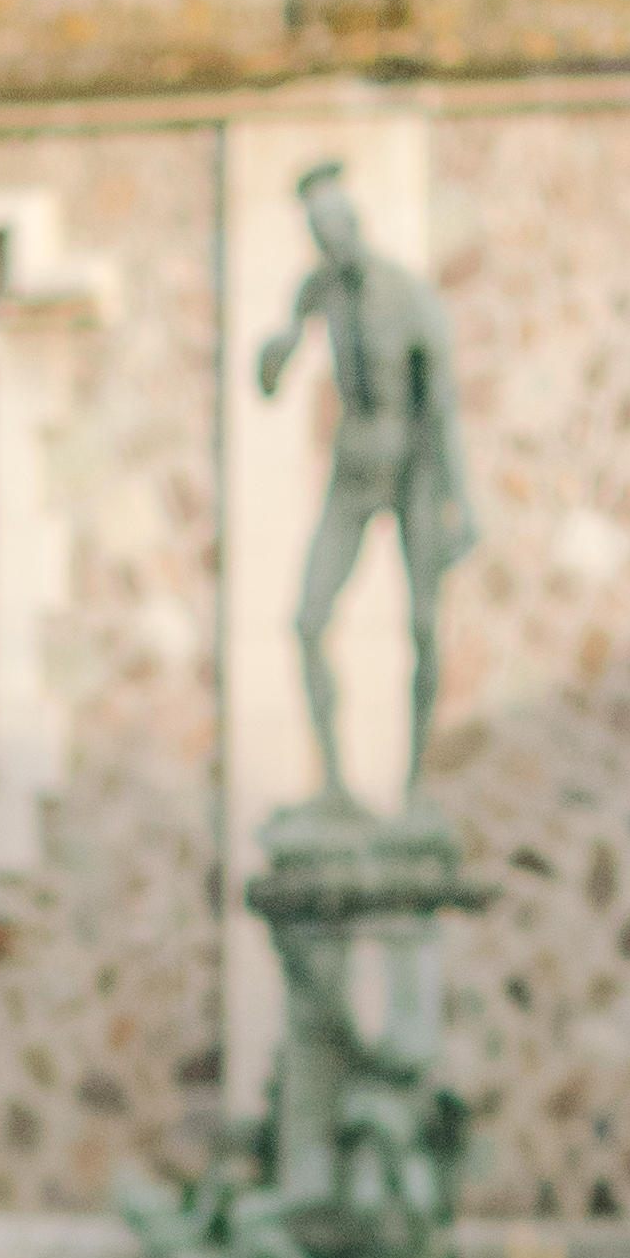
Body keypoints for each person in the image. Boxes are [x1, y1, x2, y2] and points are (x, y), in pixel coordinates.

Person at [254, 164, 473, 805]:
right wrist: (274, 354)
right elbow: (272, 375)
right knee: (308, 621)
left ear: (354, 227)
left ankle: (415, 783)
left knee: (424, 627)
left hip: (412, 472)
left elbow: (443, 410)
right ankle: (335, 787)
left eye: (334, 232)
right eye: (318, 237)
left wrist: (461, 501)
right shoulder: (318, 291)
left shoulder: (409, 299)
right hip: (352, 473)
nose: (329, 248)